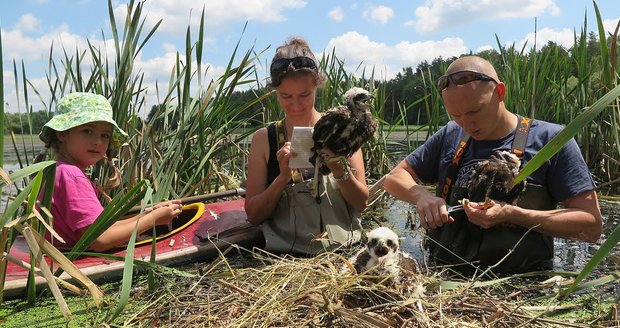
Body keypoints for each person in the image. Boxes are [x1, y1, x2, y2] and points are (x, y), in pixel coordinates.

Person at [384, 55, 602, 273]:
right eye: (456, 114)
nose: (467, 124)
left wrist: (513, 214)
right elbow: (394, 178)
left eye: (474, 111)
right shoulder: (450, 134)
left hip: (522, 287)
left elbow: (590, 225)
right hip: (443, 277)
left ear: (500, 93)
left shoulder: (552, 141)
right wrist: (422, 196)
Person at [244, 37, 369, 255]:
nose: (295, 104)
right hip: (286, 256)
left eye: (304, 95)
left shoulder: (343, 129)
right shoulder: (263, 140)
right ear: (275, 92)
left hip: (344, 251)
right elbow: (253, 216)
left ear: (317, 87)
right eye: (285, 96)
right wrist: (282, 177)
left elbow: (361, 203)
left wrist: (339, 169)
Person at [38, 92, 182, 252]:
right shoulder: (71, 175)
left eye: (105, 135)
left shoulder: (56, 170)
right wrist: (153, 220)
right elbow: (100, 239)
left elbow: (99, 227)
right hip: (73, 262)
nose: (98, 142)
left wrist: (147, 214)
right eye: (87, 131)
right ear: (63, 133)